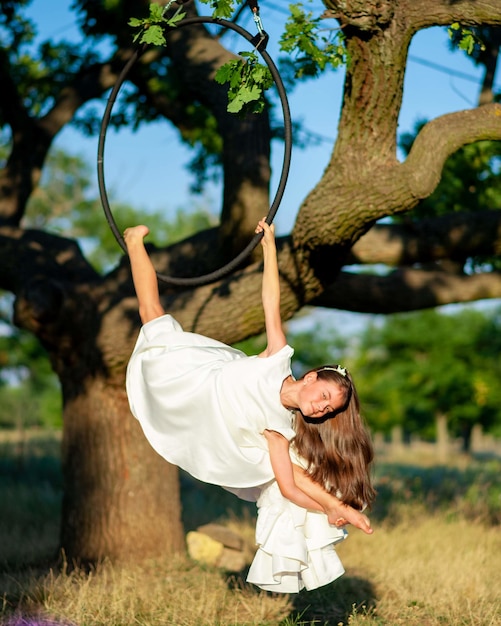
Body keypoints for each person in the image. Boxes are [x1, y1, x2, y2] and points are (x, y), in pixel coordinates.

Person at [124, 221, 376, 593]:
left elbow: (290, 486)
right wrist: (269, 247)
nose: (323, 409)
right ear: (310, 378)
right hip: (199, 373)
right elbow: (270, 300)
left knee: (153, 316)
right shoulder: (278, 357)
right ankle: (134, 241)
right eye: (324, 396)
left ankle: (133, 243)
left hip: (203, 412)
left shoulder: (281, 428)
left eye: (330, 410)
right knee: (154, 316)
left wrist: (334, 508)